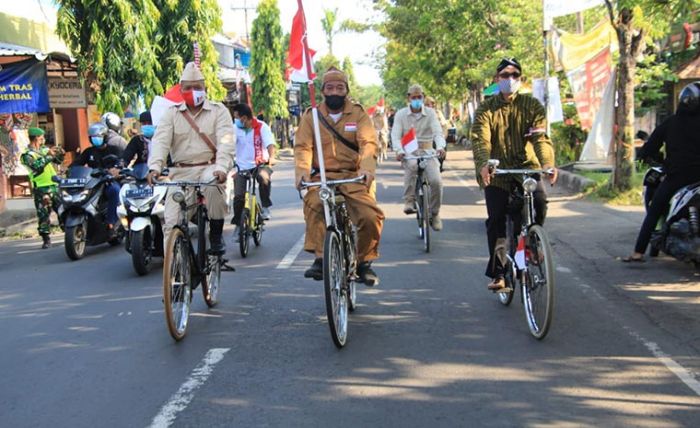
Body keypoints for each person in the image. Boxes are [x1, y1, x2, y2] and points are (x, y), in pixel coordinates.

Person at [471, 58, 557, 291]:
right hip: (497, 172)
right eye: (505, 75)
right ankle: (499, 274)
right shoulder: (485, 110)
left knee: (539, 201)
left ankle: (533, 242)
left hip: (526, 169)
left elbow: (540, 138)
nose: (510, 80)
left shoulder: (532, 106)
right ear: (496, 79)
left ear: (521, 79)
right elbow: (481, 140)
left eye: (515, 75)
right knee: (496, 219)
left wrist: (547, 163)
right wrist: (484, 164)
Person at [294, 67, 384, 285]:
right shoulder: (311, 116)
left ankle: (364, 262)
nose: (335, 91)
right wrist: (302, 172)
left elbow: (368, 143)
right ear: (323, 90)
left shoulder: (358, 114)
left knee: (370, 216)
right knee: (314, 205)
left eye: (340, 87)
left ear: (347, 90)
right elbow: (303, 146)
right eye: (330, 87)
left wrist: (366, 169)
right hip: (321, 178)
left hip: (353, 177)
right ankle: (320, 258)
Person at [148, 62, 235, 254]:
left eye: (197, 87)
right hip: (180, 173)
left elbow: (226, 142)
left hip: (209, 167)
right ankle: (175, 269)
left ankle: (216, 235)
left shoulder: (219, 111)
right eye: (188, 88)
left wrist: (221, 167)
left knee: (212, 184)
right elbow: (161, 141)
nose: (193, 91)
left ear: (205, 88)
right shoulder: (171, 114)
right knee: (171, 224)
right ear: (181, 89)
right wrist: (154, 167)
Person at [622, 81, 700, 262]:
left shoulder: (671, 123)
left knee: (654, 210)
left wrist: (649, 156)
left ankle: (638, 252)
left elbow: (648, 149)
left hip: (678, 177)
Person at [391, 84, 446, 230]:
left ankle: (435, 213)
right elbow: (395, 136)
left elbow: (438, 133)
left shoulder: (431, 113)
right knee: (412, 166)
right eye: (413, 97)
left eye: (419, 97)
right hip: (409, 151)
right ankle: (409, 200)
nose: (416, 100)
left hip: (428, 151)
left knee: (436, 181)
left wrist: (440, 147)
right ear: (408, 98)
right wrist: (399, 150)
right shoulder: (401, 114)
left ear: (423, 97)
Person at [231, 103, 275, 236]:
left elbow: (270, 144)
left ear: (244, 118)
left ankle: (265, 207)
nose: (236, 120)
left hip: (259, 164)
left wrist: (272, 157)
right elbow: (228, 145)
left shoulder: (262, 126)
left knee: (263, 178)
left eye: (237, 117)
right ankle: (238, 225)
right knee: (238, 196)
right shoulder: (234, 129)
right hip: (241, 167)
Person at [71, 122, 123, 236]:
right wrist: (69, 171)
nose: (96, 140)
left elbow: (121, 163)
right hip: (93, 182)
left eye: (98, 137)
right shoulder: (89, 152)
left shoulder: (115, 150)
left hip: (108, 181)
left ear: (105, 137)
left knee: (114, 191)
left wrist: (115, 170)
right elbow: (77, 164)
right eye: (93, 138)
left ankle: (111, 223)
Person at [20, 127, 64, 248]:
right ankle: (46, 239)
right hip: (41, 188)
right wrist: (49, 156)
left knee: (62, 210)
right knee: (43, 214)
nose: (43, 140)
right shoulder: (27, 155)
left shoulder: (45, 150)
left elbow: (58, 161)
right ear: (35, 139)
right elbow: (37, 167)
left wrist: (60, 153)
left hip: (54, 185)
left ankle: (70, 233)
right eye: (41, 138)